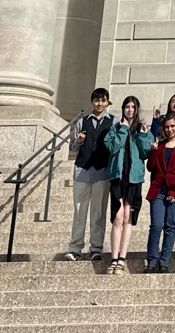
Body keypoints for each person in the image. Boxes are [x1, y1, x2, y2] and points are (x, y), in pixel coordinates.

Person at [103, 95, 154, 274]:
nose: (130, 110)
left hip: (134, 179)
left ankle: (122, 259)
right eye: (127, 106)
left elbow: (145, 152)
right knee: (117, 218)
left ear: (137, 109)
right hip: (117, 177)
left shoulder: (142, 129)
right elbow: (112, 147)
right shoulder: (116, 128)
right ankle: (114, 258)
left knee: (127, 218)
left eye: (133, 107)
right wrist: (123, 130)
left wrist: (142, 134)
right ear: (123, 108)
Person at [65, 87, 116, 262]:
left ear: (107, 102)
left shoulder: (114, 122)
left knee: (98, 213)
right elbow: (71, 147)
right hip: (82, 171)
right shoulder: (82, 121)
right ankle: (75, 248)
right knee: (80, 212)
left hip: (102, 171)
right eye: (96, 100)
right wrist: (78, 141)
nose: (99, 103)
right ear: (92, 102)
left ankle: (96, 248)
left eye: (103, 100)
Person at [144, 112, 175, 273]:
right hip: (157, 191)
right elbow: (150, 168)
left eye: (173, 126)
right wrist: (153, 151)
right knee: (156, 226)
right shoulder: (159, 145)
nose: (170, 129)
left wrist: (174, 193)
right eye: (167, 127)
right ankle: (152, 260)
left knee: (170, 227)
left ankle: (164, 262)